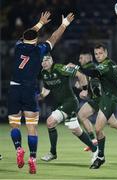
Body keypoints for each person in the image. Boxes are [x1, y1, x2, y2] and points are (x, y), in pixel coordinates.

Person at [8, 11, 75, 174]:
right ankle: (32, 158)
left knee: (14, 124)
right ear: (36, 40)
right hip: (29, 90)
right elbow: (54, 37)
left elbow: (28, 34)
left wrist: (39, 23)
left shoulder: (18, 47)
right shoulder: (40, 50)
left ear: (24, 39)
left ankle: (18, 149)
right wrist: (64, 24)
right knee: (32, 128)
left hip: (14, 89)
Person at [67, 44, 117, 169]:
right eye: (96, 54)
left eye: (100, 53)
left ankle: (99, 155)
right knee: (113, 123)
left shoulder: (104, 65)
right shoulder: (111, 63)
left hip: (109, 98)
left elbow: (94, 73)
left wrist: (76, 68)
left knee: (97, 128)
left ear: (106, 53)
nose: (98, 56)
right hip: (106, 98)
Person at [39, 55, 98, 164]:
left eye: (47, 60)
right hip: (63, 104)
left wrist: (85, 89)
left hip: (70, 102)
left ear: (52, 61)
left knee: (50, 122)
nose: (45, 62)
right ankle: (95, 150)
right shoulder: (44, 73)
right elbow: (46, 88)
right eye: (43, 60)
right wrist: (41, 95)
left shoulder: (60, 68)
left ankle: (53, 153)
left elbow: (80, 74)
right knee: (76, 131)